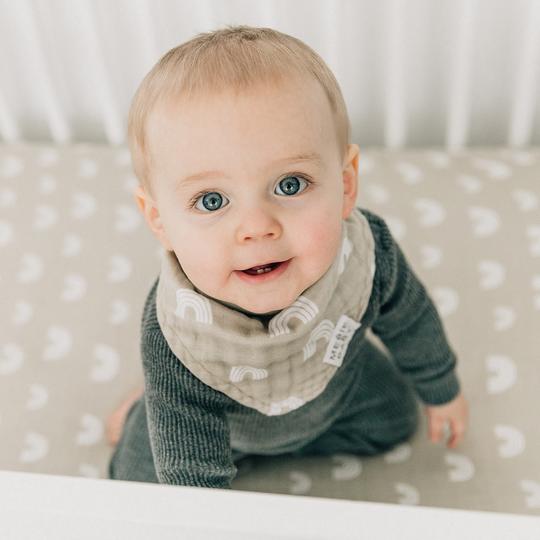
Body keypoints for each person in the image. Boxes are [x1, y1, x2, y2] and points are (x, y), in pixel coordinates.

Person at [107, 25, 469, 487]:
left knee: (399, 420)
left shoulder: (367, 254)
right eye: (212, 201)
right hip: (213, 425)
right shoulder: (176, 331)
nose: (257, 227)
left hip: (336, 393)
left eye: (290, 185)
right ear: (158, 220)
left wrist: (442, 388)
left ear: (346, 184)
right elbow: (191, 491)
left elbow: (411, 319)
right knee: (137, 479)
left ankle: (281, 445)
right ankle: (151, 406)